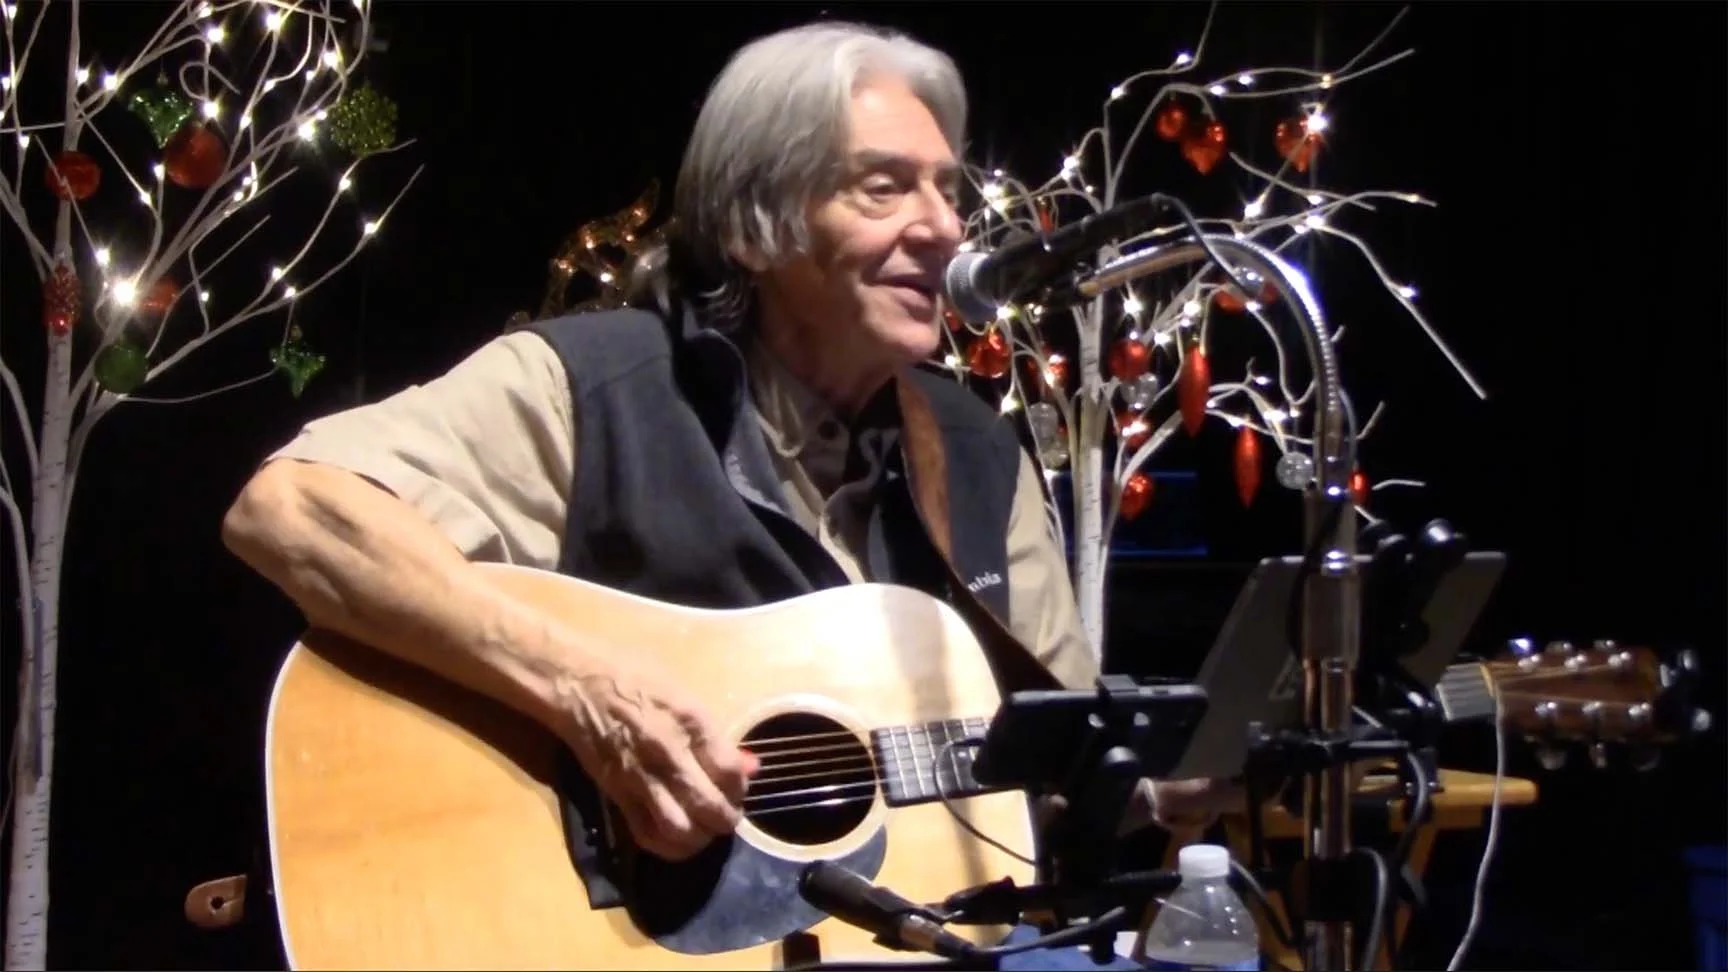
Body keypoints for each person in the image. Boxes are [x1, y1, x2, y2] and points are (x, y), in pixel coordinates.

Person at [223, 19, 1234, 969]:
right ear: (756, 225)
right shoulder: (593, 385)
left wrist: (1145, 791)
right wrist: (589, 695)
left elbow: (1036, 769)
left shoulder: (973, 455)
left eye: (947, 189)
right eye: (886, 188)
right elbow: (295, 510)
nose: (946, 227)